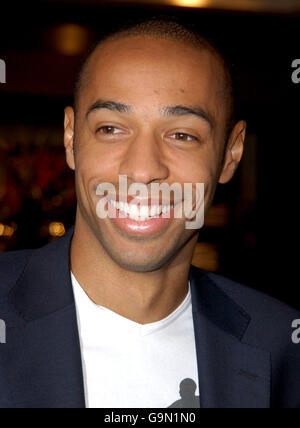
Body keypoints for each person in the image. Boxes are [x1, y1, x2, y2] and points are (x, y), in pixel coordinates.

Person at [0, 18, 299, 409]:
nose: (142, 170)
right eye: (111, 128)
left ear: (230, 154)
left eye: (182, 135)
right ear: (71, 139)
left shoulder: (283, 348)